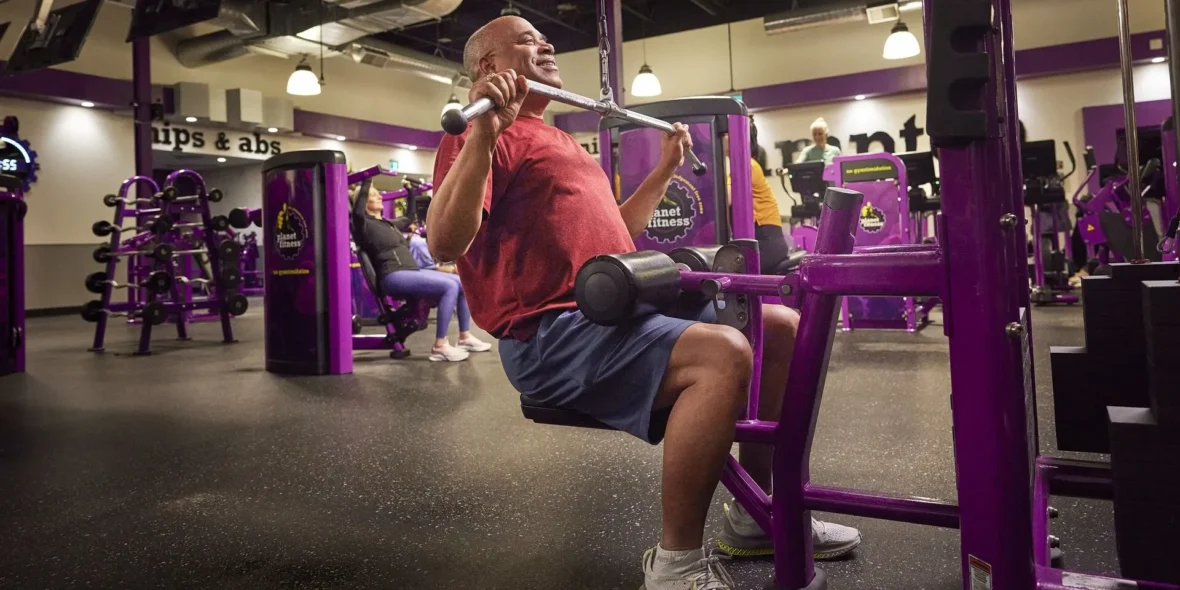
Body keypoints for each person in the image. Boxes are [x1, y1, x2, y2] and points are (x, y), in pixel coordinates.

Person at [428, 15, 861, 589]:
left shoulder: (557, 138)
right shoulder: (479, 132)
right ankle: (675, 564)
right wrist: (483, 134)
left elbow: (616, 240)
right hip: (550, 334)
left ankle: (755, 513)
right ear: (489, 67)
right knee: (722, 353)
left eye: (544, 36)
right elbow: (443, 242)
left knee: (777, 324)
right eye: (529, 40)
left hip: (611, 307)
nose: (548, 43)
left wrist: (663, 172)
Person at [349, 184, 490, 361]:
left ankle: (464, 337)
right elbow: (357, 211)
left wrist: (411, 193)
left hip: (409, 270)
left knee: (460, 283)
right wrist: (366, 180)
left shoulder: (387, 224)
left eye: (378, 194)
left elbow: (408, 217)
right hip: (393, 276)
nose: (379, 197)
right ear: (363, 202)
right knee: (449, 287)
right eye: (373, 195)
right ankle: (440, 346)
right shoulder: (364, 225)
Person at [749, 121, 792, 274]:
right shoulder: (747, 164)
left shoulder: (748, 165)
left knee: (728, 272)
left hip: (767, 242)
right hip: (764, 240)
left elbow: (724, 200)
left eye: (726, 134)